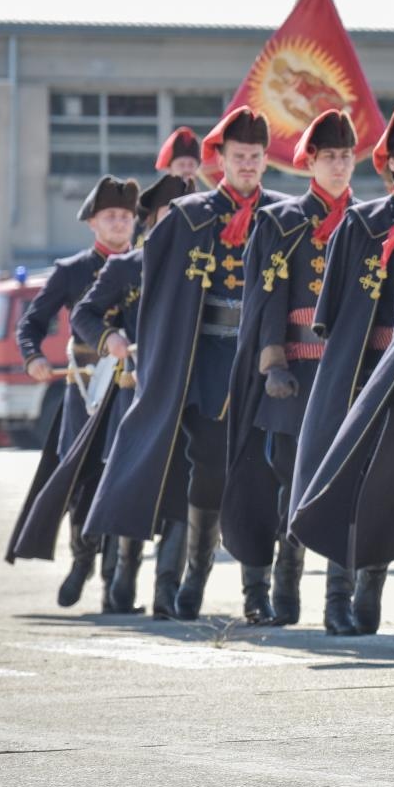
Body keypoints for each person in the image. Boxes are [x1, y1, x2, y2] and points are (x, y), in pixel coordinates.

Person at [85, 107, 288, 620]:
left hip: (264, 361)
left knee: (262, 474)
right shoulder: (188, 215)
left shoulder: (285, 214)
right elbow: (158, 299)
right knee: (210, 471)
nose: (248, 165)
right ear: (219, 159)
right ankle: (194, 579)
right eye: (239, 157)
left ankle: (256, 593)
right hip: (205, 363)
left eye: (256, 157)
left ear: (266, 161)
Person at [288, 101, 394, 641]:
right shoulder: (361, 224)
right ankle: (349, 600)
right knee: (361, 488)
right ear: (392, 163)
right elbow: (332, 317)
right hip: (369, 377)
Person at [220, 110, 358, 629]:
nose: (341, 166)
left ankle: (338, 603)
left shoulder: (365, 221)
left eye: (348, 157)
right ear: (311, 162)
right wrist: (272, 362)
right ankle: (280, 592)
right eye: (331, 157)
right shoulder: (281, 221)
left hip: (344, 375)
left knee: (345, 483)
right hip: (291, 377)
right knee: (284, 482)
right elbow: (267, 298)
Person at [52, 173, 195, 615]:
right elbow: (84, 315)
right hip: (134, 397)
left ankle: (167, 592)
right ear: (150, 221)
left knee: (181, 492)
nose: (177, 224)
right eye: (169, 215)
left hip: (189, 398)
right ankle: (119, 588)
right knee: (130, 487)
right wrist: (110, 336)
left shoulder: (202, 269)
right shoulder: (126, 267)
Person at [6, 175, 138, 608]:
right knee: (83, 480)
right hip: (83, 388)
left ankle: (116, 585)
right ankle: (82, 562)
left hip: (130, 385)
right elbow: (31, 323)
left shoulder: (146, 265)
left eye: (126, 216)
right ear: (92, 223)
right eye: (111, 216)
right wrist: (32, 357)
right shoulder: (72, 271)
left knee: (125, 477)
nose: (120, 224)